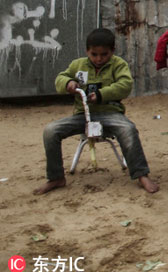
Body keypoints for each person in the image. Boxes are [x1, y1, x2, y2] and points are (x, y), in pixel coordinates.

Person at [33, 28, 159, 195]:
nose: (99, 59)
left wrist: (101, 95)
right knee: (50, 131)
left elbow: (125, 85)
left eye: (104, 54)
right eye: (94, 54)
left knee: (128, 129)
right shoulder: (77, 65)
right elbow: (60, 79)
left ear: (112, 51)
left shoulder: (118, 65)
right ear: (87, 51)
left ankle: (141, 175)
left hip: (111, 114)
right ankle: (56, 177)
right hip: (82, 116)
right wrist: (68, 83)